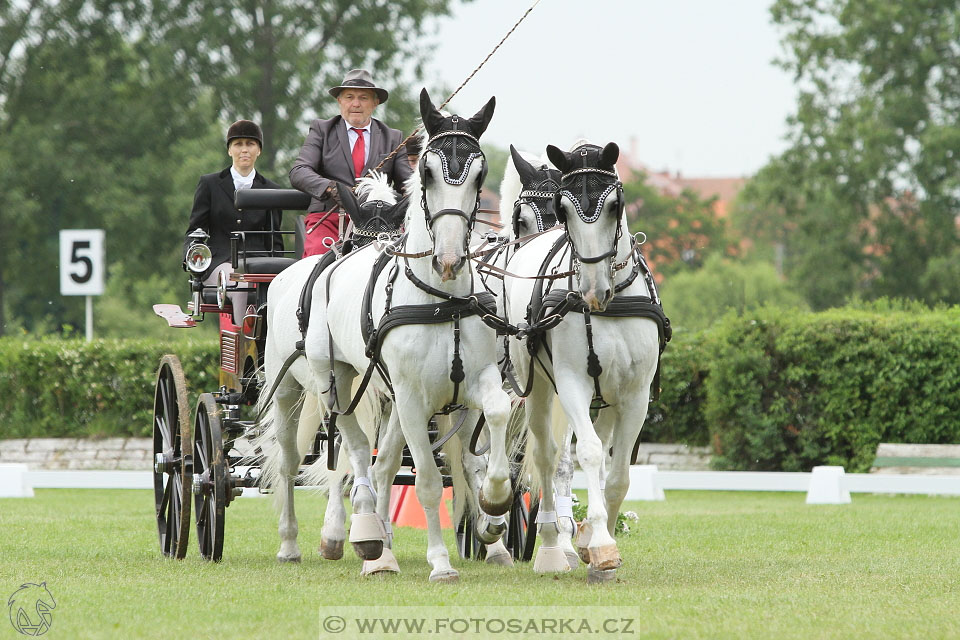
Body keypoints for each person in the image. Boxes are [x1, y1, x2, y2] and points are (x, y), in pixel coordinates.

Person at [289, 69, 412, 256]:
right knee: (317, 257)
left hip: (379, 223)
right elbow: (299, 171)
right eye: (349, 97)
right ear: (339, 101)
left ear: (375, 102)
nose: (356, 104)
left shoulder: (393, 137)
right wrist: (331, 187)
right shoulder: (322, 130)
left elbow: (409, 185)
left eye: (363, 98)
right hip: (329, 218)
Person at [183, 119, 283, 324]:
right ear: (230, 150)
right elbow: (195, 229)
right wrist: (192, 260)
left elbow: (275, 240)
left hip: (259, 262)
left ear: (259, 151)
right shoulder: (210, 184)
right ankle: (246, 347)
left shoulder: (271, 189)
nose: (244, 150)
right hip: (220, 262)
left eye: (250, 144)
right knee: (241, 285)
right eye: (238, 144)